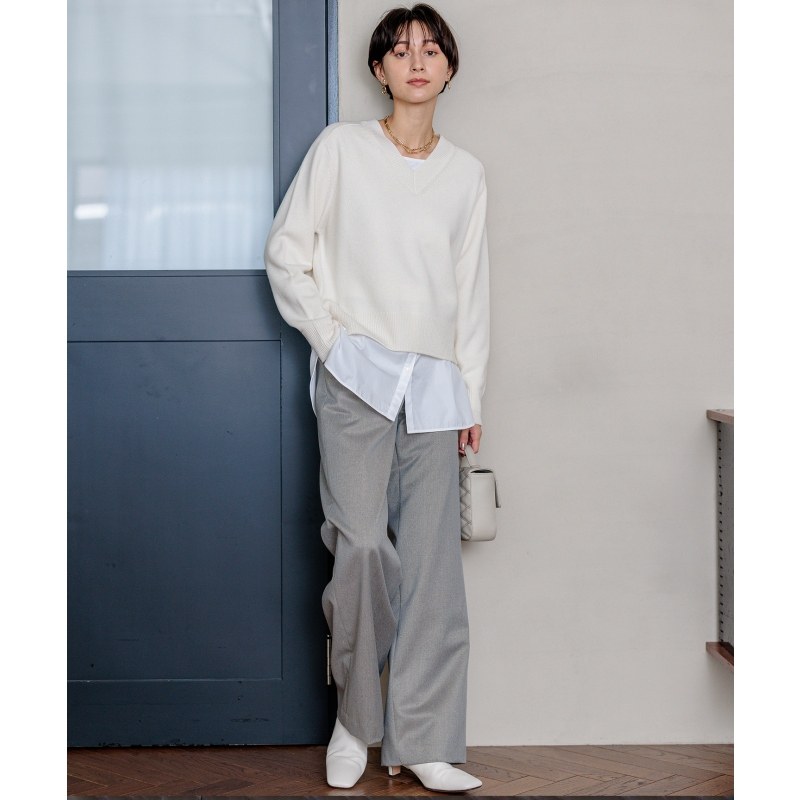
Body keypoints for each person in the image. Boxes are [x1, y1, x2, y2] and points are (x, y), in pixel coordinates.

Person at [264, 3, 489, 792]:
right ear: (378, 69)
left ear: (449, 68)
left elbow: (470, 289)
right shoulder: (340, 149)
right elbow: (286, 253)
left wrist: (471, 393)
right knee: (360, 546)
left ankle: (424, 740)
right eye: (399, 50)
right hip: (356, 379)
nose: (416, 61)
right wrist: (335, 343)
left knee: (432, 569)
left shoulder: (466, 174)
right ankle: (356, 721)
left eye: (430, 50)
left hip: (435, 386)